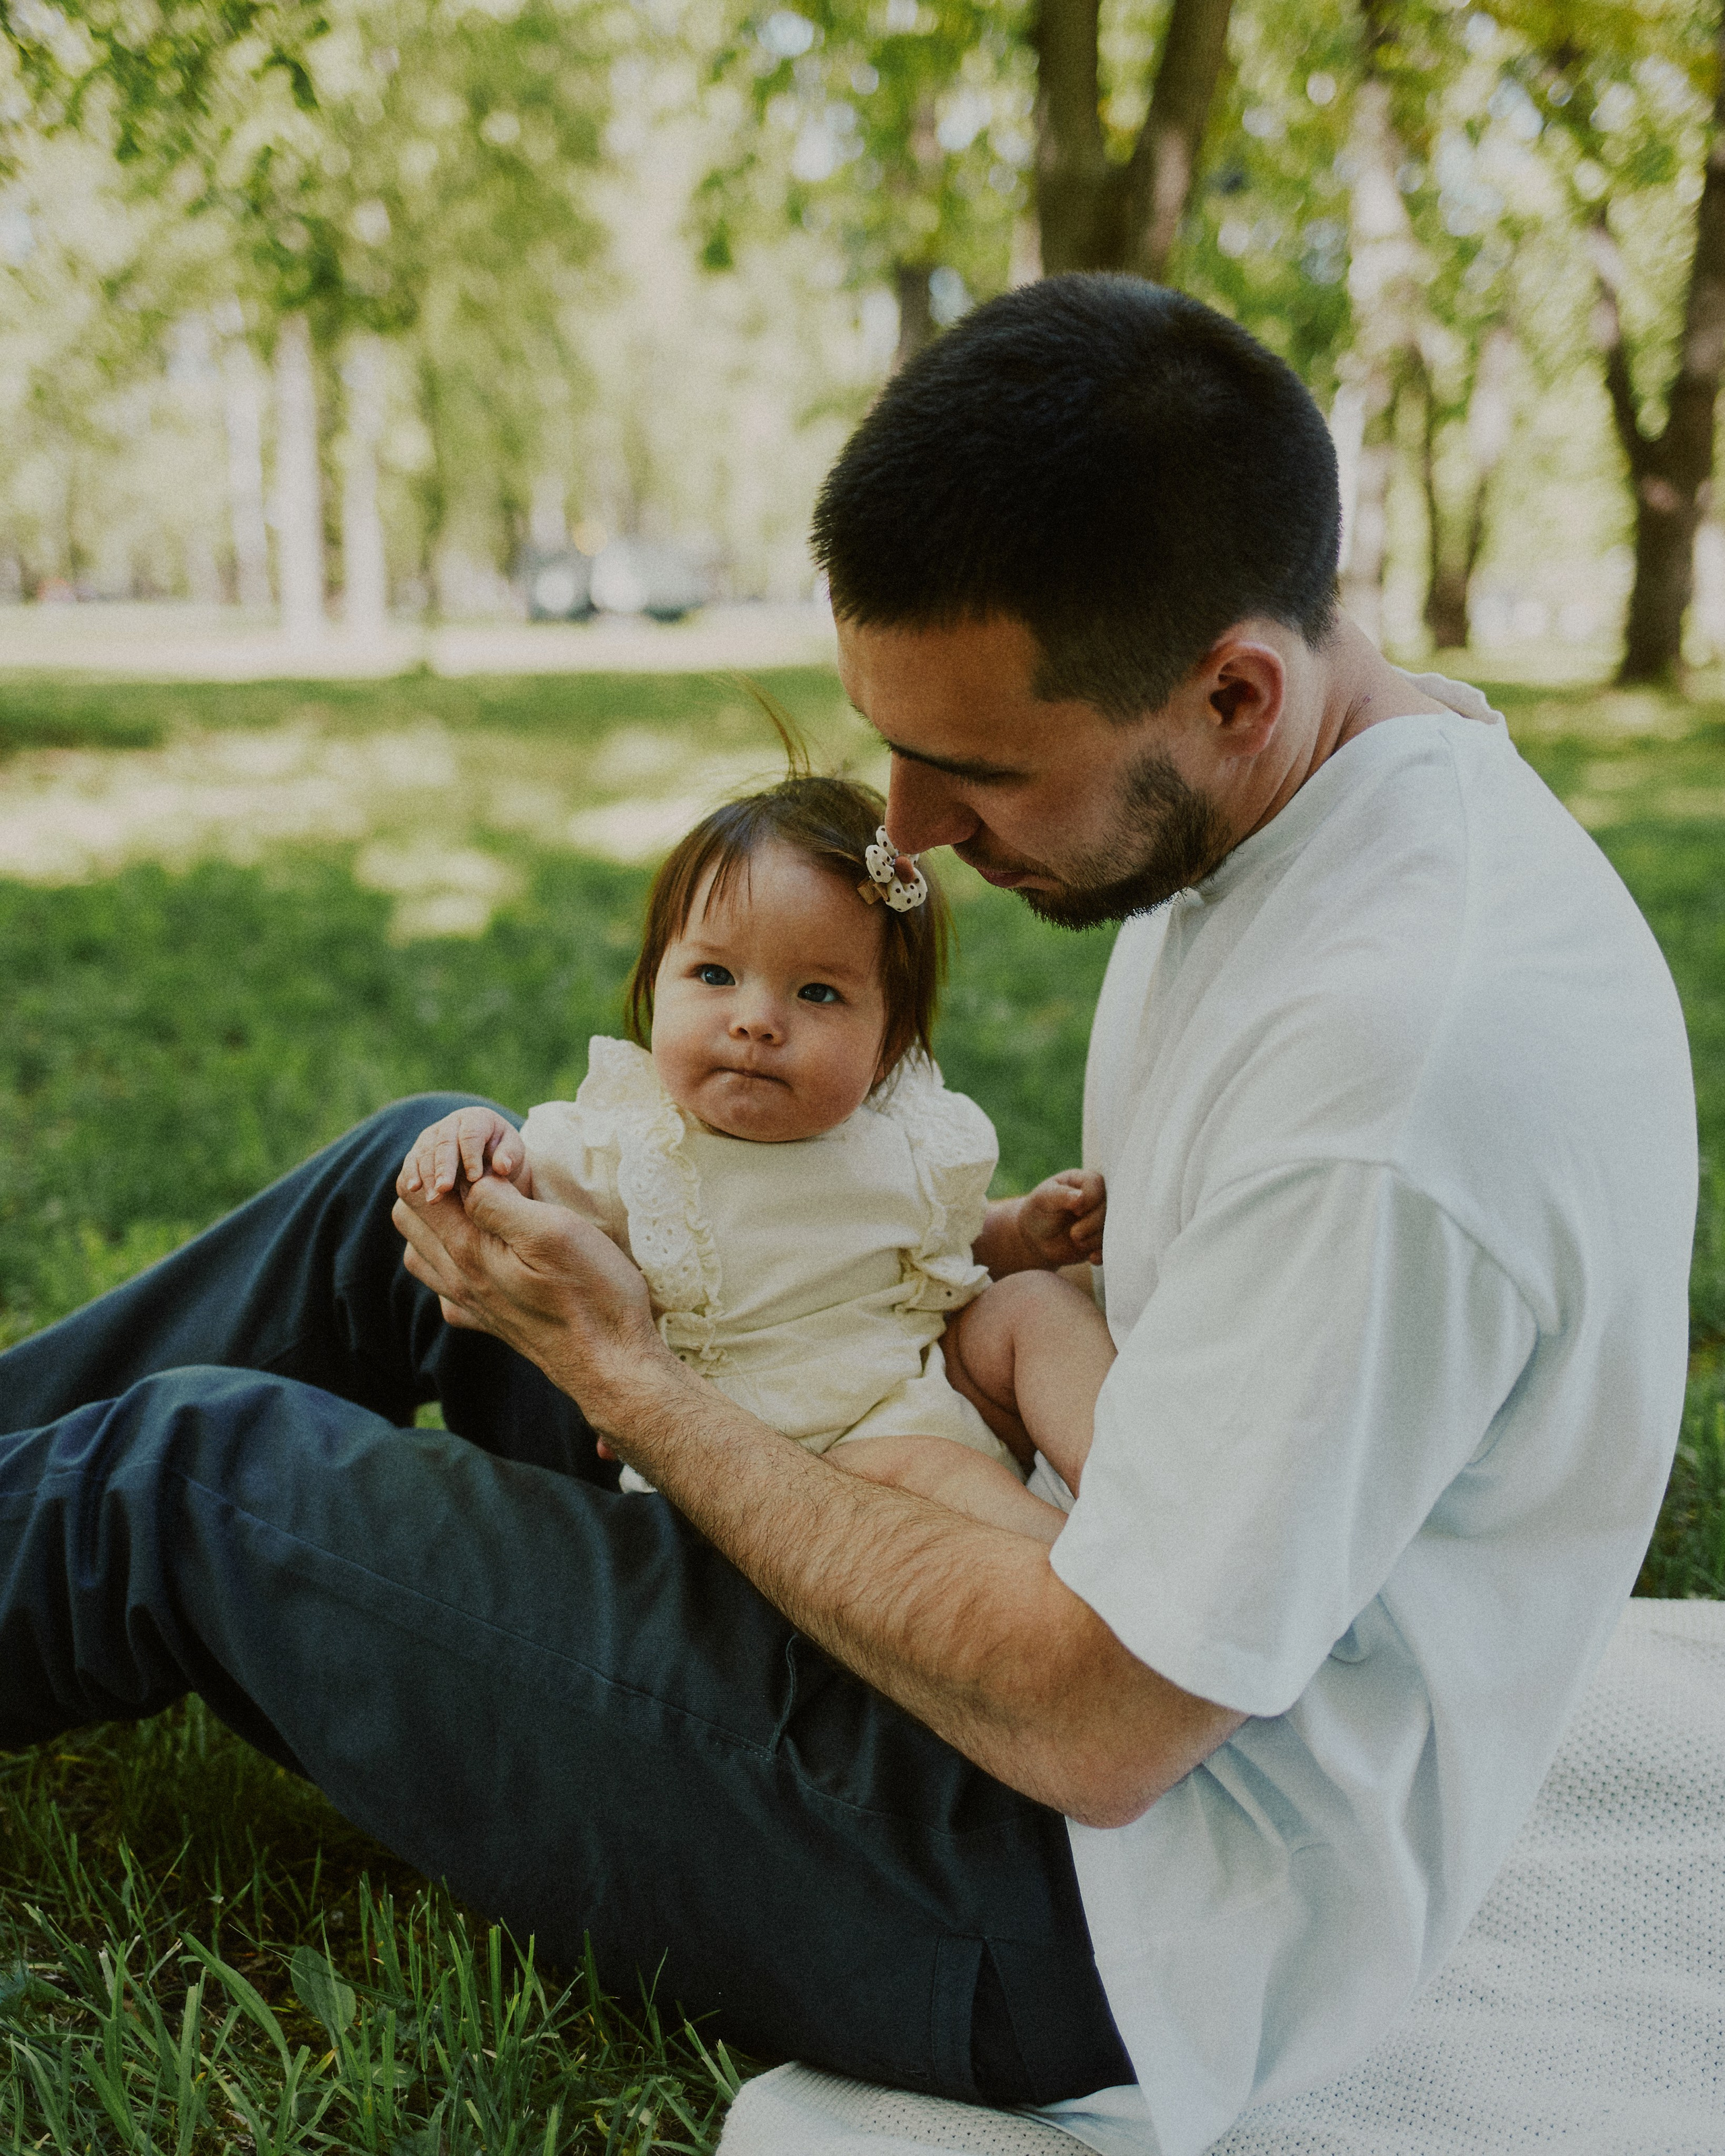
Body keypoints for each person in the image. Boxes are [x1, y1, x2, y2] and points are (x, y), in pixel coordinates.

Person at [0, 274, 1695, 2156]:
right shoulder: (1285, 819)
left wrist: (630, 1380)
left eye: (972, 771)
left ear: (1235, 690)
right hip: (999, 1601)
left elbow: (1101, 1724)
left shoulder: (1401, 1071)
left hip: (1066, 1900)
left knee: (182, 1484)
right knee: (423, 1174)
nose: (906, 831)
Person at [398, 771, 1112, 1541]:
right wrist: (473, 1136)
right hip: (797, 1458)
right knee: (933, 1475)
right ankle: (1084, 1571)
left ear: (887, 1047)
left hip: (919, 1373)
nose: (756, 1021)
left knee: (1031, 1305)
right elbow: (513, 1202)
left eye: (816, 993)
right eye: (714, 975)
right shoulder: (629, 1148)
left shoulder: (897, 1134)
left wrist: (1024, 1234)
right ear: (654, 983)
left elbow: (949, 1244)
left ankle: (1133, 1482)